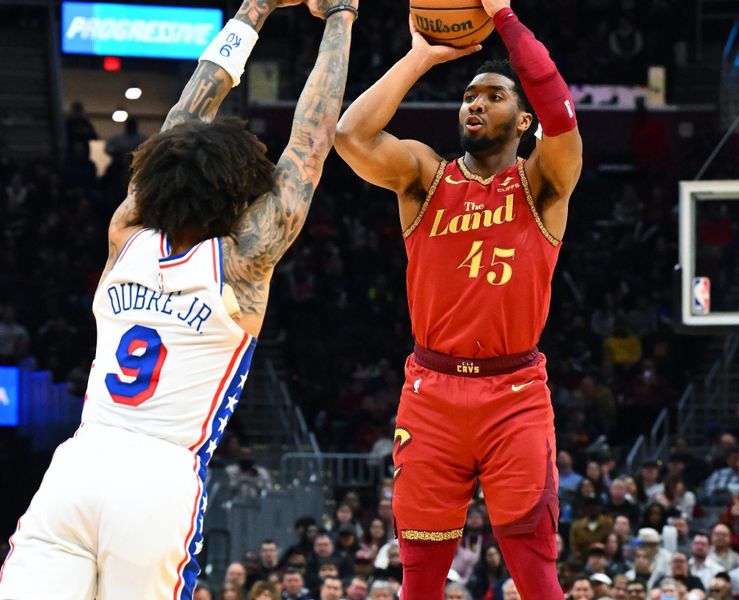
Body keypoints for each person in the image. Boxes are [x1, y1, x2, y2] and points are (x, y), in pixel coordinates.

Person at [0, 0, 357, 596]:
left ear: (161, 173)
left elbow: (184, 117)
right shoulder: (243, 261)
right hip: (159, 478)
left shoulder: (127, 232)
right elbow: (309, 146)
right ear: (243, 190)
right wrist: (341, 15)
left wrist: (254, 8)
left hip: (79, 464)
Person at [336, 0, 582, 594]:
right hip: (431, 391)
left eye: (494, 95)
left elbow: (556, 103)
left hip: (514, 392)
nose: (475, 102)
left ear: (524, 122)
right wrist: (419, 58)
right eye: (470, 94)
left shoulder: (543, 182)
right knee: (419, 579)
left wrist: (503, 15)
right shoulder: (425, 175)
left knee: (535, 573)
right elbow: (349, 134)